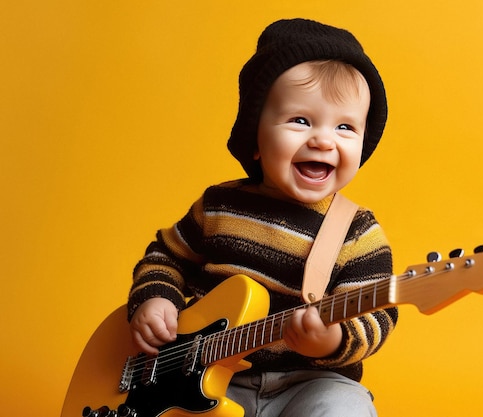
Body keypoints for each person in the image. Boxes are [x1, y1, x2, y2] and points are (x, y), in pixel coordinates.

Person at [127, 18, 398, 417]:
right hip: (206, 378)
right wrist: (154, 298)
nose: (323, 139)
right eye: (301, 121)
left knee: (344, 409)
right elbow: (165, 257)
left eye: (345, 127)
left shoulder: (358, 233)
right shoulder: (219, 205)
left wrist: (331, 340)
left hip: (309, 383)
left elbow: (378, 316)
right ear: (255, 138)